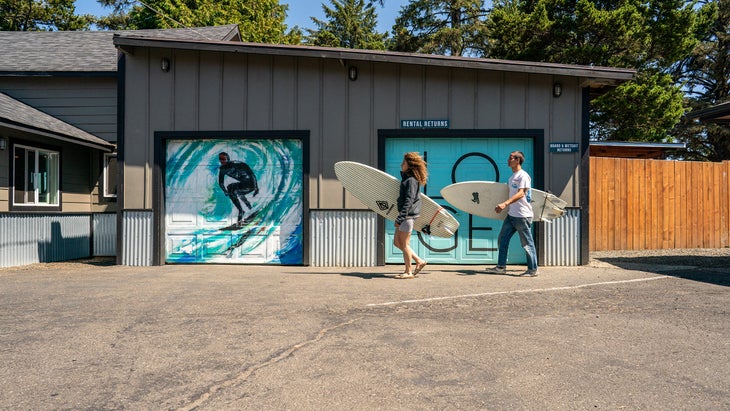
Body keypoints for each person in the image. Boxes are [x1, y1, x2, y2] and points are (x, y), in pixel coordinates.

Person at [486, 151, 538, 277]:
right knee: (502, 239)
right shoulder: (512, 177)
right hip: (512, 215)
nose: (508, 160)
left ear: (518, 160)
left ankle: (532, 270)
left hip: (522, 216)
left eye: (511, 158)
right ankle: (501, 267)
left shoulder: (523, 176)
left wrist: (504, 204)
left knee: (527, 243)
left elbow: (521, 193)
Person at [393, 152, 428, 279]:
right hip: (405, 216)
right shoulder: (408, 179)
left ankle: (408, 272)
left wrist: (401, 217)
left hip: (407, 217)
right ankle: (419, 261)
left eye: (404, 162)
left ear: (410, 165)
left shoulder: (411, 180)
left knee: (405, 244)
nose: (401, 164)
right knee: (397, 242)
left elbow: (409, 200)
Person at [217, 152, 259, 225]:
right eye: (220, 159)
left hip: (250, 183)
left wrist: (256, 187)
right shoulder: (222, 169)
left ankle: (249, 208)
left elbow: (251, 173)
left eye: (223, 159)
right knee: (230, 188)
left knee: (236, 191)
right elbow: (221, 182)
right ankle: (241, 210)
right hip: (243, 184)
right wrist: (225, 191)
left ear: (228, 158)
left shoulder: (237, 164)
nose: (222, 161)